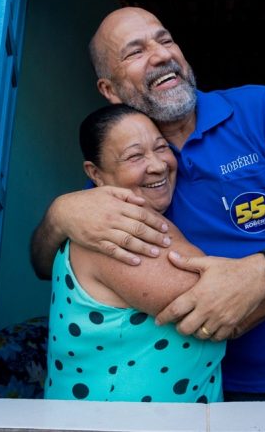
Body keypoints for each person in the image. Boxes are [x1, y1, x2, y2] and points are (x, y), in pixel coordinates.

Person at [32, 7, 265, 401]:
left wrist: (264, 270)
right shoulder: (125, 168)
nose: (160, 55)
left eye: (165, 39)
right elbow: (49, 265)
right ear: (110, 90)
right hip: (226, 391)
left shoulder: (260, 108)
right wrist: (59, 215)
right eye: (135, 52)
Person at [45, 104, 224, 403]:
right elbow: (225, 305)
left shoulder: (145, 221)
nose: (157, 165)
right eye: (135, 156)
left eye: (161, 147)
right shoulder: (112, 236)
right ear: (96, 173)